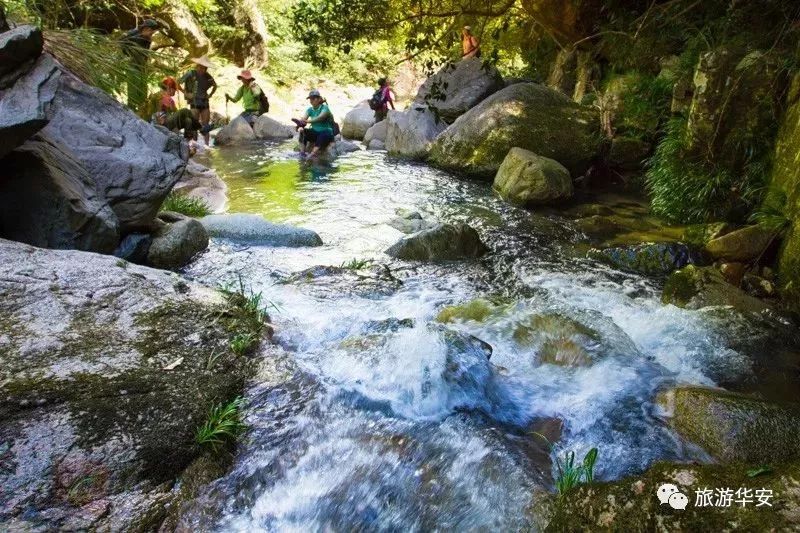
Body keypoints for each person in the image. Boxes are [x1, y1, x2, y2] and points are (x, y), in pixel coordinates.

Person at [120, 19, 159, 111]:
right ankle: (132, 110)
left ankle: (142, 112)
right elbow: (121, 41)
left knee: (143, 93)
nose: (152, 34)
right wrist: (128, 53)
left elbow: (145, 54)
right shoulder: (133, 33)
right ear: (146, 28)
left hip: (142, 67)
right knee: (133, 91)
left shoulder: (148, 40)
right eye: (151, 31)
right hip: (132, 66)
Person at [180, 56, 217, 145]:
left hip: (205, 102)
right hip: (194, 102)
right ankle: (195, 146)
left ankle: (207, 146)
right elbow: (178, 83)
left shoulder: (208, 76)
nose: (202, 70)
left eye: (205, 68)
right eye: (201, 67)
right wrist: (186, 93)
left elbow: (215, 85)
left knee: (206, 126)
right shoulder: (190, 73)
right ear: (197, 66)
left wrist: (210, 95)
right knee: (194, 125)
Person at [294, 89, 335, 157]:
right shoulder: (309, 110)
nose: (311, 100)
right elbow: (304, 119)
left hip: (327, 133)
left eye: (313, 98)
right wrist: (300, 125)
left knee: (323, 134)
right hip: (315, 133)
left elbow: (320, 118)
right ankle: (302, 152)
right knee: (303, 131)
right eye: (310, 99)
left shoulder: (325, 108)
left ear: (319, 99)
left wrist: (307, 121)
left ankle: (312, 154)